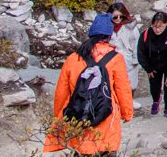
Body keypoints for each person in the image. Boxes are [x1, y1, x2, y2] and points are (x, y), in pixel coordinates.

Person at [45, 13, 134, 154]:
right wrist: (127, 113)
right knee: (107, 150)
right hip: (106, 118)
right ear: (109, 36)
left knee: (82, 149)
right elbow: (123, 89)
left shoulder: (73, 58)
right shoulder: (116, 59)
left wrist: (58, 116)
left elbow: (61, 91)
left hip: (79, 118)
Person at [137, 12, 167, 119]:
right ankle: (156, 101)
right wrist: (148, 68)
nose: (157, 29)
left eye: (160, 27)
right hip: (153, 65)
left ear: (166, 24)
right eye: (155, 27)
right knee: (154, 86)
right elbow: (141, 53)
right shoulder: (146, 35)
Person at [106, 1, 139, 91]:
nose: (118, 19)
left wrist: (135, 59)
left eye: (121, 16)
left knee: (129, 85)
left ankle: (129, 103)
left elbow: (136, 43)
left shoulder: (130, 28)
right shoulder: (106, 28)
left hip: (127, 60)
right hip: (111, 60)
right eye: (115, 17)